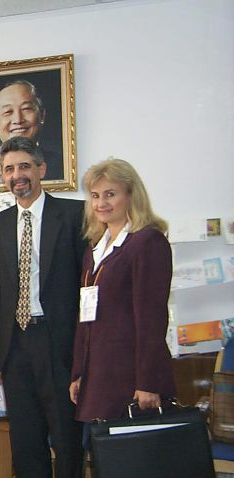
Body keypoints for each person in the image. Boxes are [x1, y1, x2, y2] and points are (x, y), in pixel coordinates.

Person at [0, 136, 85, 478]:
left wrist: (83, 351)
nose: (17, 175)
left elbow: (86, 284)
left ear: (42, 169)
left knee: (66, 437)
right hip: (16, 345)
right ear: (3, 176)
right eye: (10, 169)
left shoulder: (74, 216)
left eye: (24, 166)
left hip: (59, 343)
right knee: (26, 439)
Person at [69, 158, 175, 424]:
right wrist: (79, 372)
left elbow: (151, 319)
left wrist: (148, 382)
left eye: (110, 194)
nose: (101, 203)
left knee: (132, 461)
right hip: (98, 376)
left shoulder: (147, 242)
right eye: (95, 196)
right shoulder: (95, 248)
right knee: (106, 459)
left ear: (130, 196)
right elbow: (86, 316)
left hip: (131, 379)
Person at [0, 80, 63, 184]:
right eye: (8, 112)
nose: (18, 119)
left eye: (26, 109)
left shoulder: (62, 167)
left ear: (42, 116)